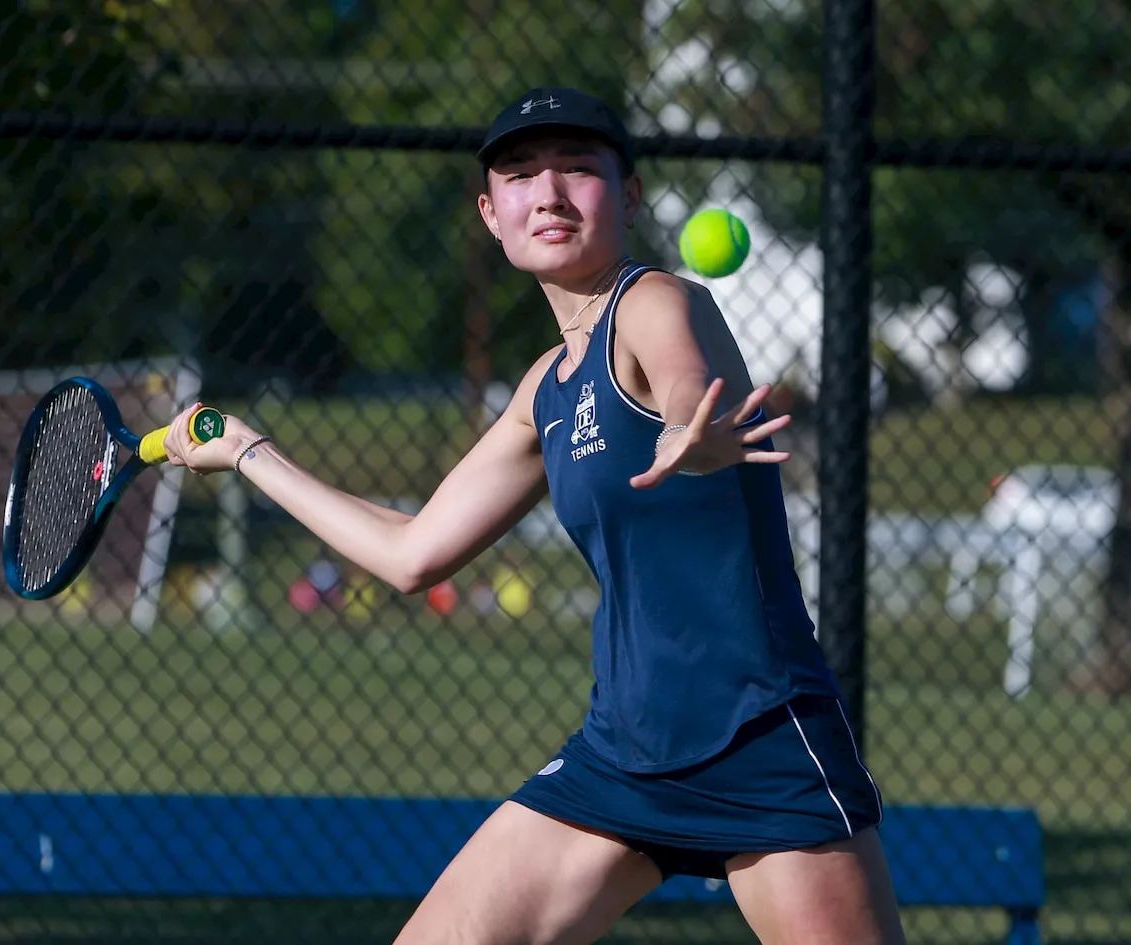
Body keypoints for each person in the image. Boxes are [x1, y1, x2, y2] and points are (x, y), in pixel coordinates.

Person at [163, 86, 907, 945]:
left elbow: (678, 375)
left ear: (627, 196)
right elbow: (413, 554)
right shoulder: (545, 390)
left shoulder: (656, 298)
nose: (547, 194)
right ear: (490, 211)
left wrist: (683, 428)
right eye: (519, 175)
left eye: (577, 170)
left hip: (758, 736)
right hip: (623, 752)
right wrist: (251, 451)